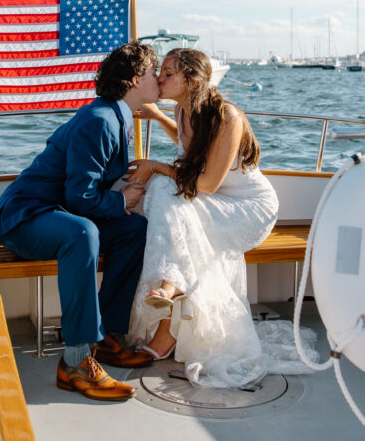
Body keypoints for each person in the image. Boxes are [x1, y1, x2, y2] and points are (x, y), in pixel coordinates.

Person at [127, 48, 318, 388]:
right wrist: (158, 117)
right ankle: (169, 308)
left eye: (168, 73)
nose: (159, 79)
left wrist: (156, 165)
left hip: (247, 209)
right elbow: (190, 144)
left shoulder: (228, 117)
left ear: (193, 80)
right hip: (213, 202)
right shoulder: (183, 110)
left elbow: (207, 184)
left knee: (164, 189)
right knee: (166, 196)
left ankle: (169, 296)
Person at [0, 40, 160, 402]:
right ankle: (76, 362)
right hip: (26, 218)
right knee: (83, 233)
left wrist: (122, 202)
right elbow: (78, 197)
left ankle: (108, 337)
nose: (158, 78)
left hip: (60, 215)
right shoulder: (98, 120)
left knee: (133, 230)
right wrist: (119, 199)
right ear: (133, 81)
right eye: (151, 73)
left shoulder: (117, 116)